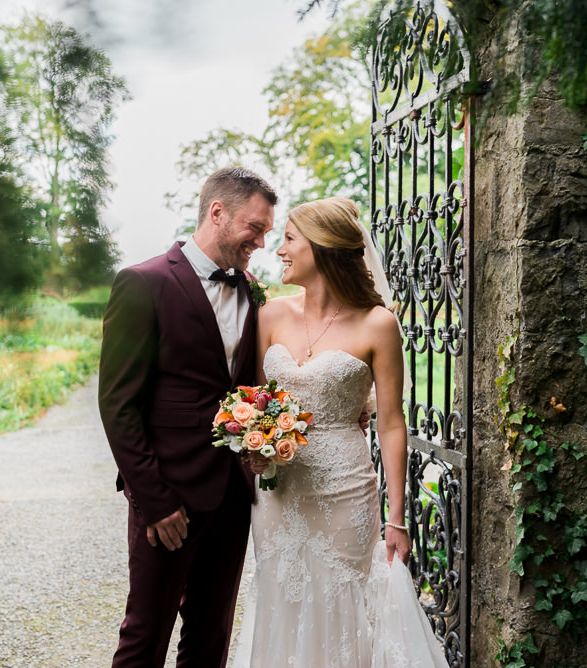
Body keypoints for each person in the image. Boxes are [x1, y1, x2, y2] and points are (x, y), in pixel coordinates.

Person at [233, 197, 448, 667]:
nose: (280, 250)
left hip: (345, 490)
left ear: (324, 247)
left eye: (289, 239)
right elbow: (254, 401)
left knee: (343, 601)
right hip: (280, 491)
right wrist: (255, 446)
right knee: (281, 592)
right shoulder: (269, 315)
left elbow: (392, 423)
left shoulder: (378, 324)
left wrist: (396, 517)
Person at [98, 167, 277, 667]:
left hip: (231, 495)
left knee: (210, 636)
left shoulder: (250, 290)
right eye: (255, 228)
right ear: (217, 213)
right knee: (145, 636)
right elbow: (117, 403)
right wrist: (154, 501)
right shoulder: (143, 283)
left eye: (266, 232)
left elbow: (247, 387)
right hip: (168, 496)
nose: (262, 241)